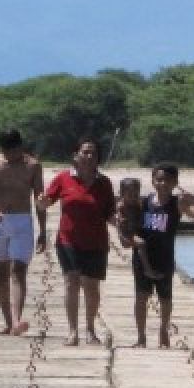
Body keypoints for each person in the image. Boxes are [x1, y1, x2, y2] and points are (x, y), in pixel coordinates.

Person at [38, 139, 116, 346]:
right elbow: (47, 201)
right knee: (71, 282)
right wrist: (42, 202)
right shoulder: (63, 178)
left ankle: (90, 329)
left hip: (96, 241)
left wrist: (124, 227)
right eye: (85, 152)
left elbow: (110, 213)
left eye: (93, 153)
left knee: (91, 286)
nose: (89, 156)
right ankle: (72, 331)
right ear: (75, 156)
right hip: (68, 239)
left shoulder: (104, 183)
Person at [0, 128, 46, 335]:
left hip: (22, 221)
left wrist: (43, 230)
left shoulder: (33, 166)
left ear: (21, 147)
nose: (11, 155)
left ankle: (17, 321)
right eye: (7, 151)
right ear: (2, 149)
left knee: (18, 271)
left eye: (14, 150)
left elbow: (39, 199)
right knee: (1, 274)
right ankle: (8, 322)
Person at [132, 163, 194, 348]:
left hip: (164, 257)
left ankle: (163, 331)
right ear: (152, 181)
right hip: (143, 257)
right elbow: (132, 227)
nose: (162, 183)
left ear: (174, 183)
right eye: (158, 179)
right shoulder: (145, 202)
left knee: (165, 298)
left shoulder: (177, 204)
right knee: (141, 297)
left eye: (166, 180)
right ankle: (141, 336)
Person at [116, 177, 160, 280]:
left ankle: (151, 264)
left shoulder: (138, 204)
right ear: (122, 194)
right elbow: (121, 225)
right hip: (127, 235)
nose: (133, 197)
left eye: (136, 194)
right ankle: (148, 270)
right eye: (130, 195)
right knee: (141, 244)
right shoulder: (122, 206)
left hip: (135, 231)